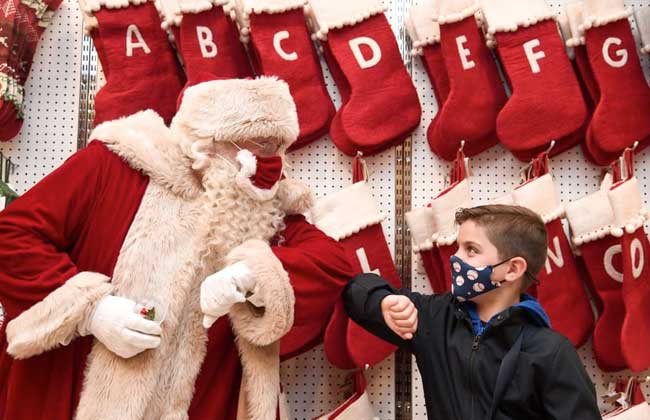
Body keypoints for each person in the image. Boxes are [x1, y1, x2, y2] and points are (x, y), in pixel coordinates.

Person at [0, 77, 355, 420]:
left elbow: (331, 263)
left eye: (277, 147)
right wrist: (92, 311)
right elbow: (13, 235)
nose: (271, 161)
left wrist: (251, 274)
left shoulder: (263, 209)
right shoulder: (114, 166)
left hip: (200, 404)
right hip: (77, 394)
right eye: (258, 145)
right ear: (206, 144)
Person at [344, 204, 601, 420]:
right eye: (458, 247)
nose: (455, 259)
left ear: (512, 269)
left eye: (471, 250)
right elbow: (355, 290)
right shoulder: (436, 319)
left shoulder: (550, 351)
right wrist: (383, 301)